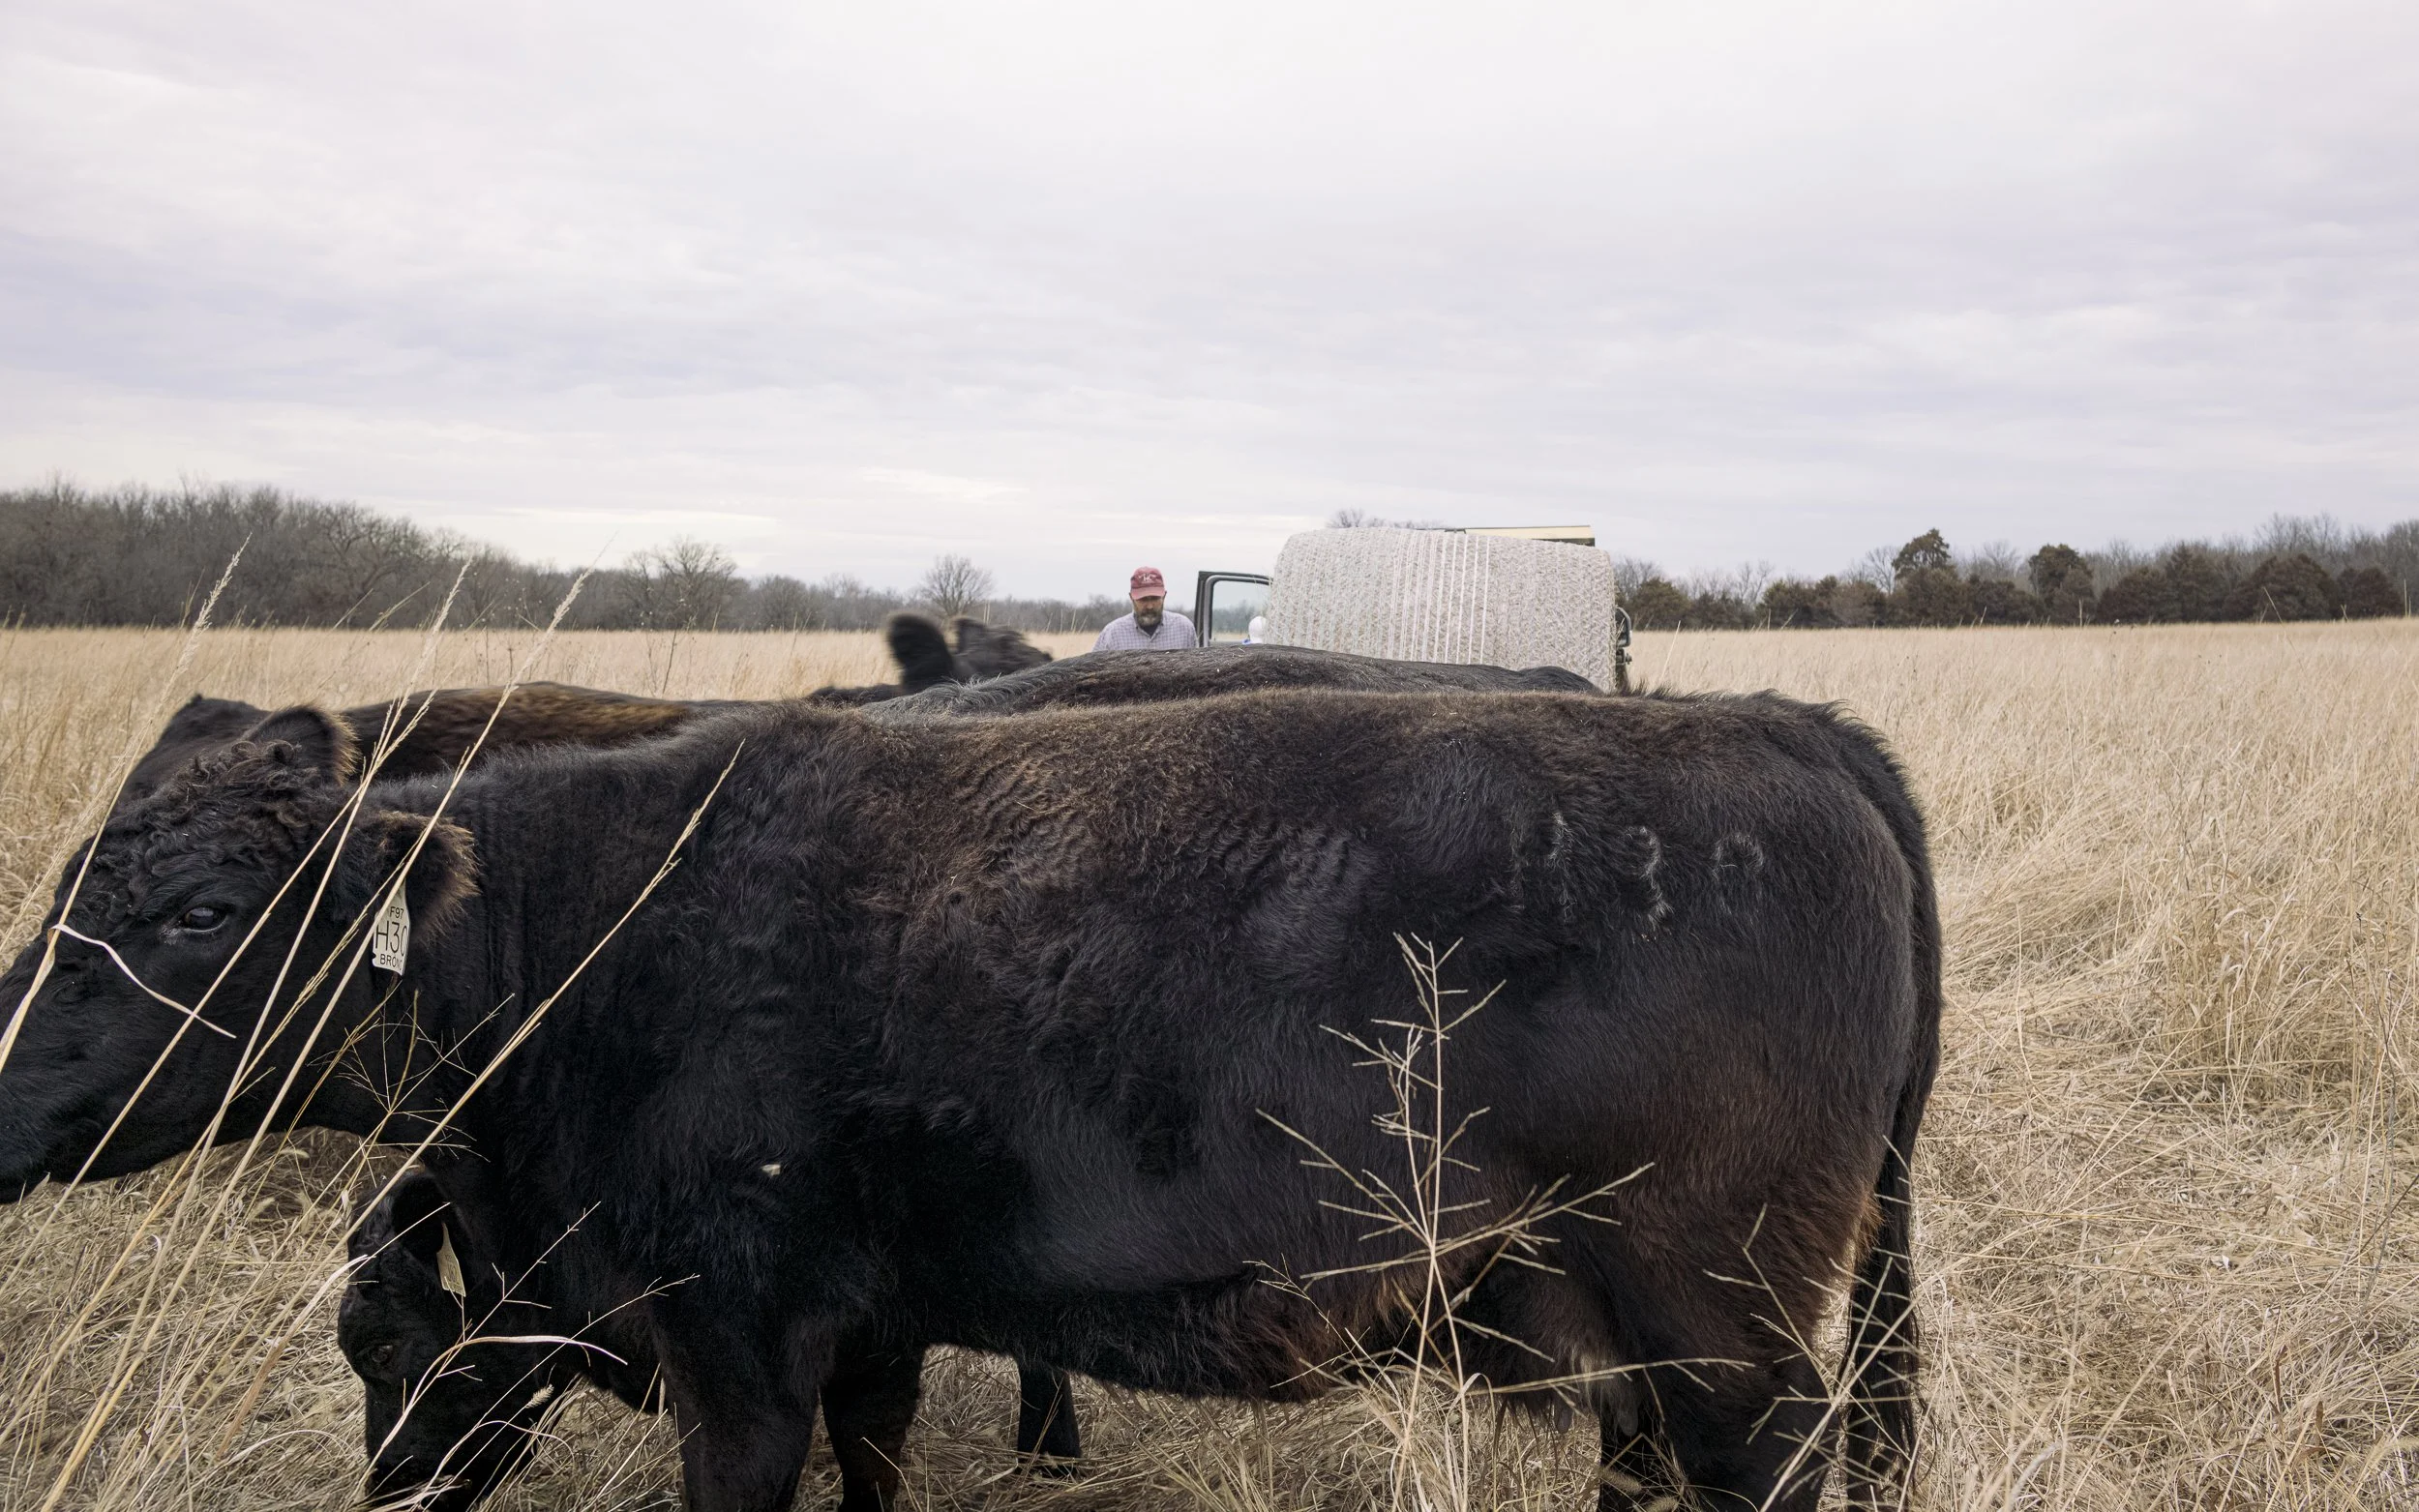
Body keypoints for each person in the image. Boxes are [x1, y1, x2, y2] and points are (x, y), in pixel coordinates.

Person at [1091, 567, 1196, 652]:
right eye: (1143, 599)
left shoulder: (1185, 629)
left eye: (1155, 598)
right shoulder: (1112, 634)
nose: (1150, 606)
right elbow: (1093, 674)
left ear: (1164, 596)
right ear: (1131, 598)